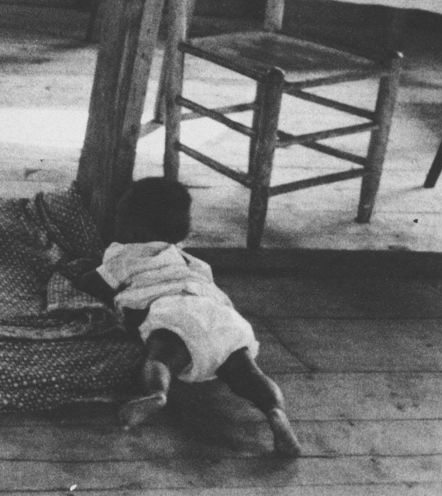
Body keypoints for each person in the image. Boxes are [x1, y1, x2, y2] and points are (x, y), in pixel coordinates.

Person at [60, 177, 303, 457]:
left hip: (172, 307)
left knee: (163, 353)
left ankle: (157, 392)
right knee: (246, 372)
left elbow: (92, 283)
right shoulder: (192, 261)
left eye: (119, 217)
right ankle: (275, 412)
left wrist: (78, 271)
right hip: (221, 316)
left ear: (134, 227)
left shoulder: (126, 255)